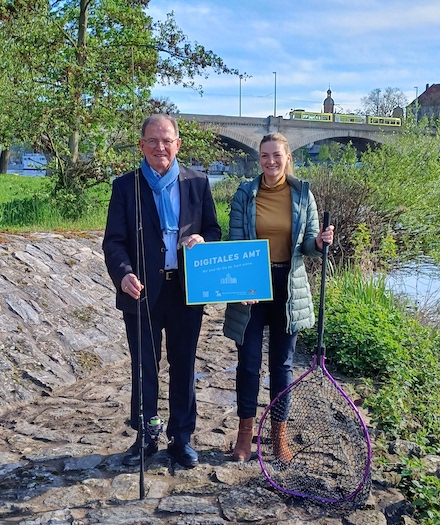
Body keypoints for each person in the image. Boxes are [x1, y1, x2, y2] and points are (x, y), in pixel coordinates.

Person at [103, 114, 221, 469]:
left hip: (186, 291)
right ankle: (147, 434)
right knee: (145, 368)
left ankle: (181, 437)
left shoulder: (198, 183)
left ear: (178, 144)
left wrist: (203, 239)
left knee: (183, 366)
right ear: (141, 145)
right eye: (152, 141)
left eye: (166, 140)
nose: (160, 147)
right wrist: (123, 274)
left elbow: (214, 231)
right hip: (141, 292)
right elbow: (114, 242)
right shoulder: (126, 186)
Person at [223, 132, 334, 462]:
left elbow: (309, 248)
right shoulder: (245, 193)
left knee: (282, 365)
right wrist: (242, 286)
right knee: (249, 363)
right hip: (253, 286)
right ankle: (245, 436)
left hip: (289, 284)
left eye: (276, 155)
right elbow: (236, 242)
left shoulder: (303, 195)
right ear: (259, 159)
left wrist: (320, 241)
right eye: (264, 156)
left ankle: (278, 436)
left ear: (288, 158)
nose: (270, 161)